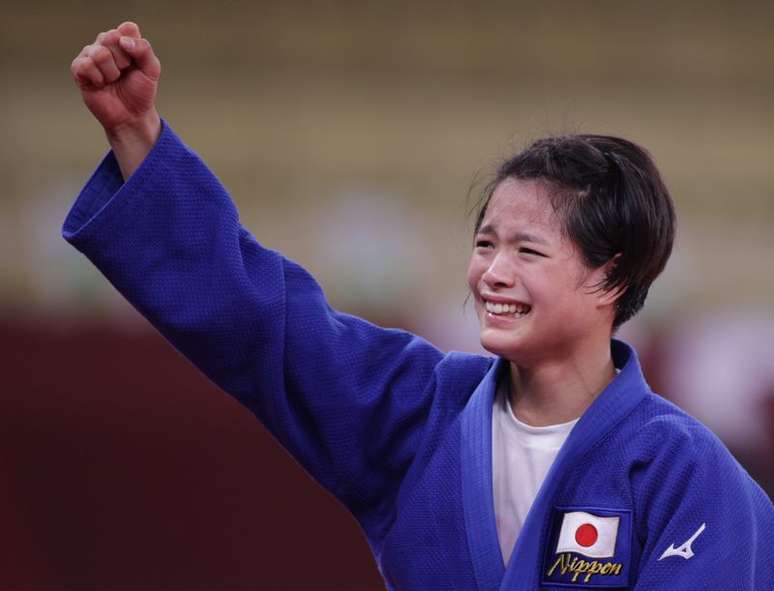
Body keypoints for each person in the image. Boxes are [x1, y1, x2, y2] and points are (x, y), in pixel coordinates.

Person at [65, 22, 773, 590]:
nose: (492, 273)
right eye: (484, 243)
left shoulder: (685, 472)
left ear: (609, 279)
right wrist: (138, 139)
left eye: (527, 252)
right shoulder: (416, 412)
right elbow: (262, 319)